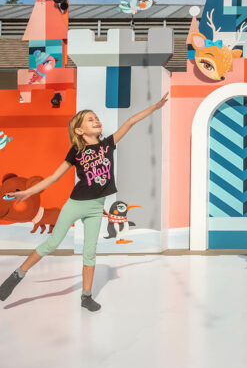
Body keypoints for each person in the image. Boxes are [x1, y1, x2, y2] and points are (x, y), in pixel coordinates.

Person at [0, 94, 169, 311]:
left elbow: (130, 122)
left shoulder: (108, 145)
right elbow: (53, 177)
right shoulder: (77, 152)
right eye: (90, 119)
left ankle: (86, 296)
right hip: (76, 204)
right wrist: (26, 193)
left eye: (96, 117)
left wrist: (155, 107)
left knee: (90, 250)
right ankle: (17, 275)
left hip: (96, 207)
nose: (96, 120)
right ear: (79, 130)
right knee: (52, 243)